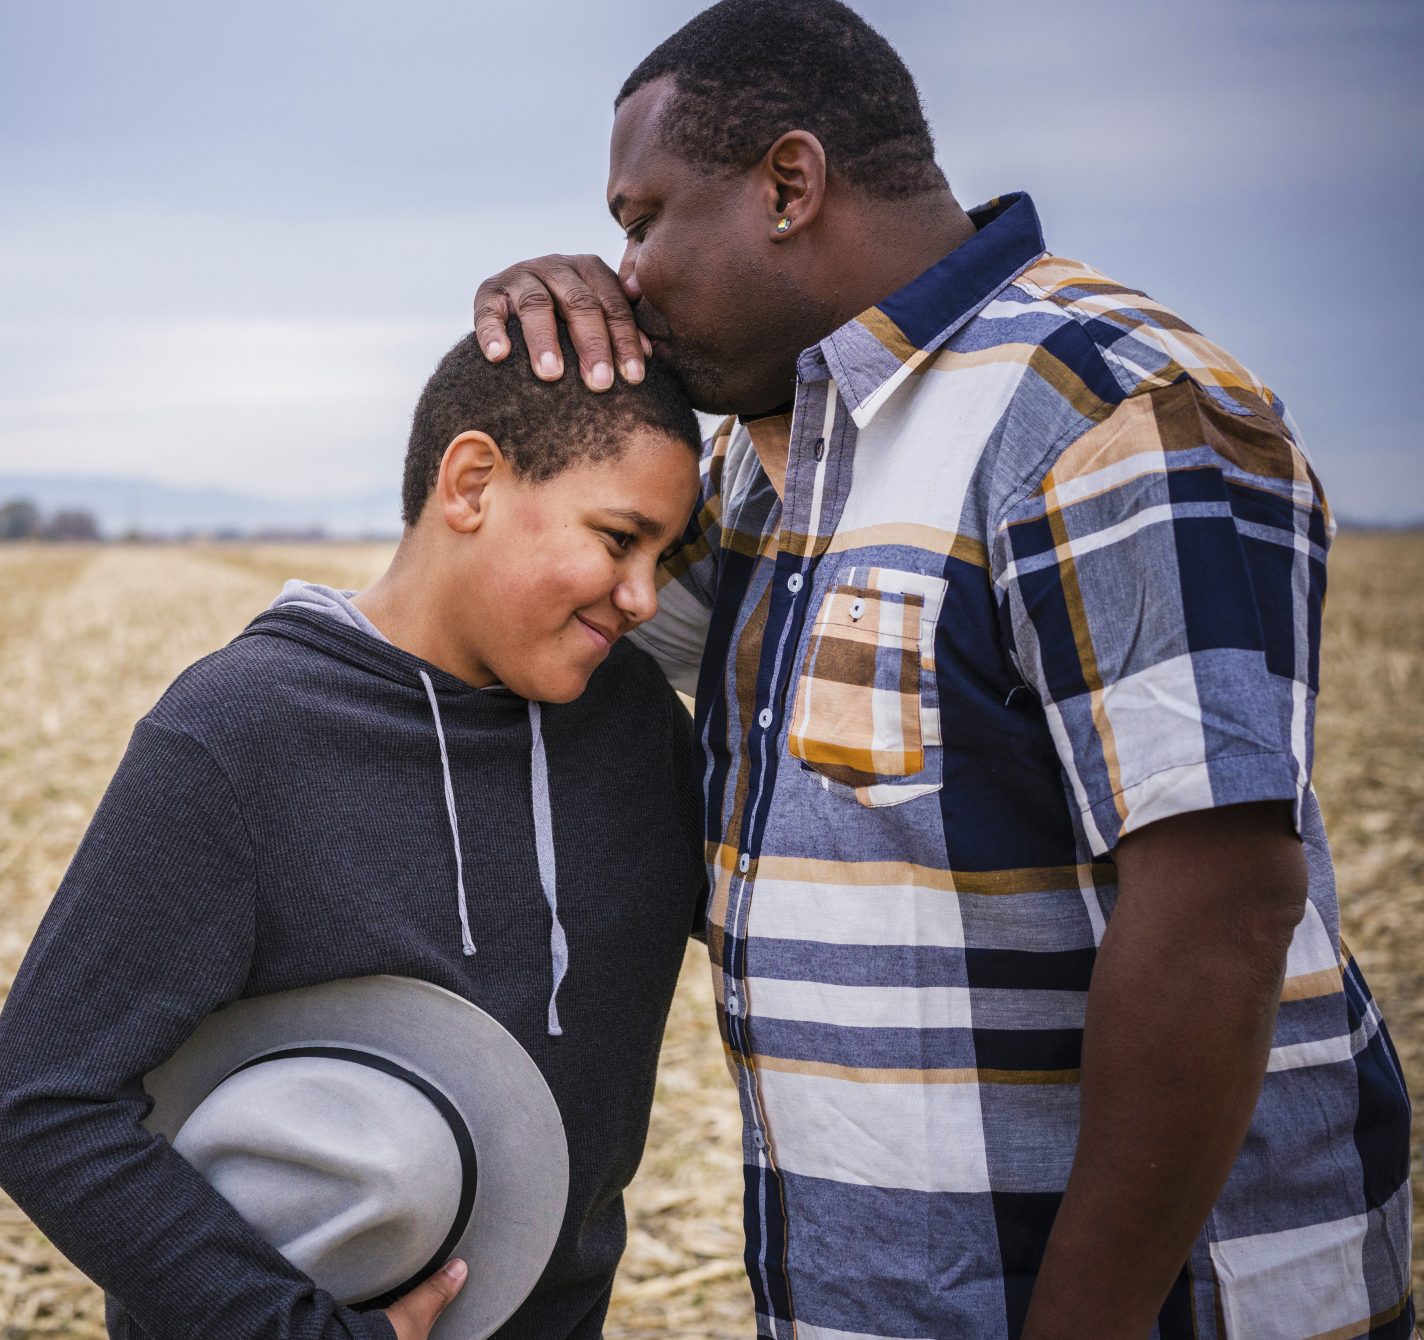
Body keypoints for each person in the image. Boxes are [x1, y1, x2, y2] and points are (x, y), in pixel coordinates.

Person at [468, 2, 1414, 1336]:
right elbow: (528, 634)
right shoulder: (764, 463)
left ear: (789, 185)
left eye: (642, 219)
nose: (624, 272)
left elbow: (1223, 912)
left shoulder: (1106, 410)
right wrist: (550, 382)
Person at [0, 324, 711, 1340]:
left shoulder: (630, 726)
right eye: (618, 539)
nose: (643, 597)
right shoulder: (238, 735)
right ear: (470, 483)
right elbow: (40, 1104)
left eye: (666, 555)